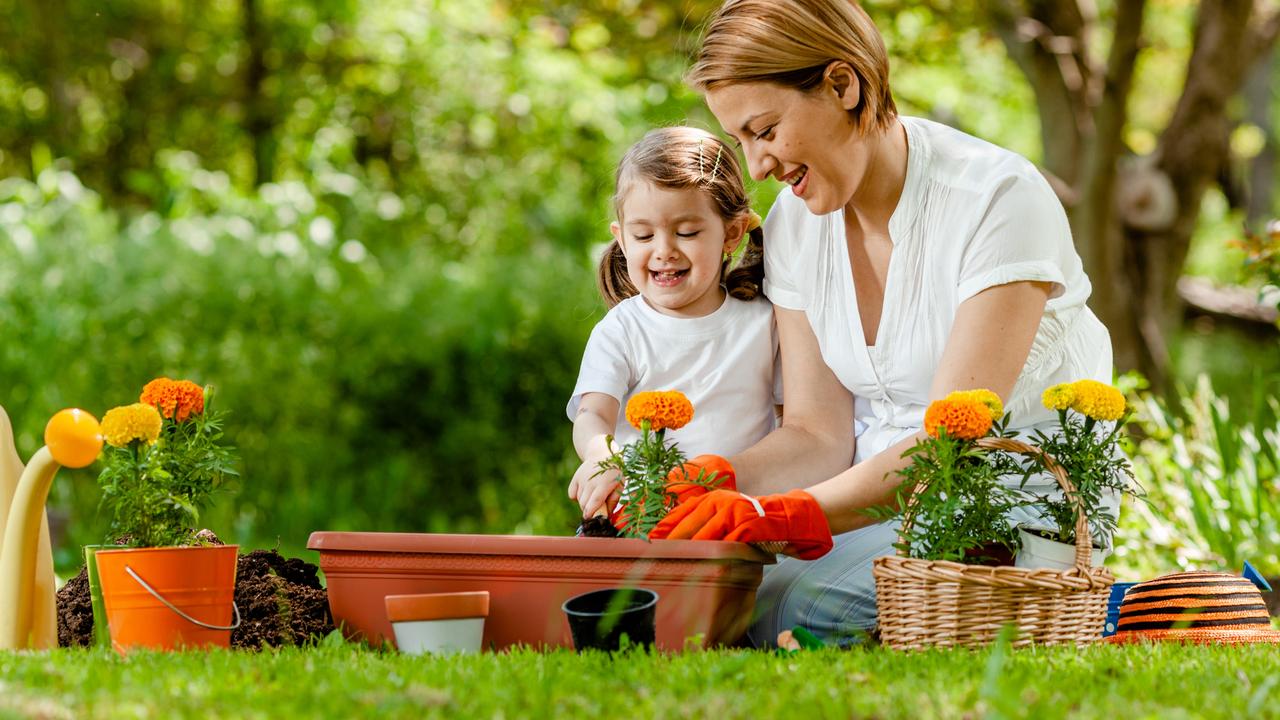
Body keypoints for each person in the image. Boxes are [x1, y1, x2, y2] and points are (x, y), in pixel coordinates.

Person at [649, 0, 1117, 646]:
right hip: (866, 510)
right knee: (699, 590)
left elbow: (949, 442)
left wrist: (787, 514)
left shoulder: (997, 199)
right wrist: (713, 484)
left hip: (1006, 508)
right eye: (739, 141)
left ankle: (1094, 610)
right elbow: (816, 431)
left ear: (844, 85)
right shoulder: (794, 225)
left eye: (765, 130)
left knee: (801, 608)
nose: (756, 166)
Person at [566, 126, 783, 521]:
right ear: (622, 238)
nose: (664, 251)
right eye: (644, 235)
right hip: (640, 520)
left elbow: (791, 423)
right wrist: (604, 458)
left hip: (735, 523)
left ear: (731, 234)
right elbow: (592, 415)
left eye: (686, 232)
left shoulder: (763, 323)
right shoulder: (622, 331)